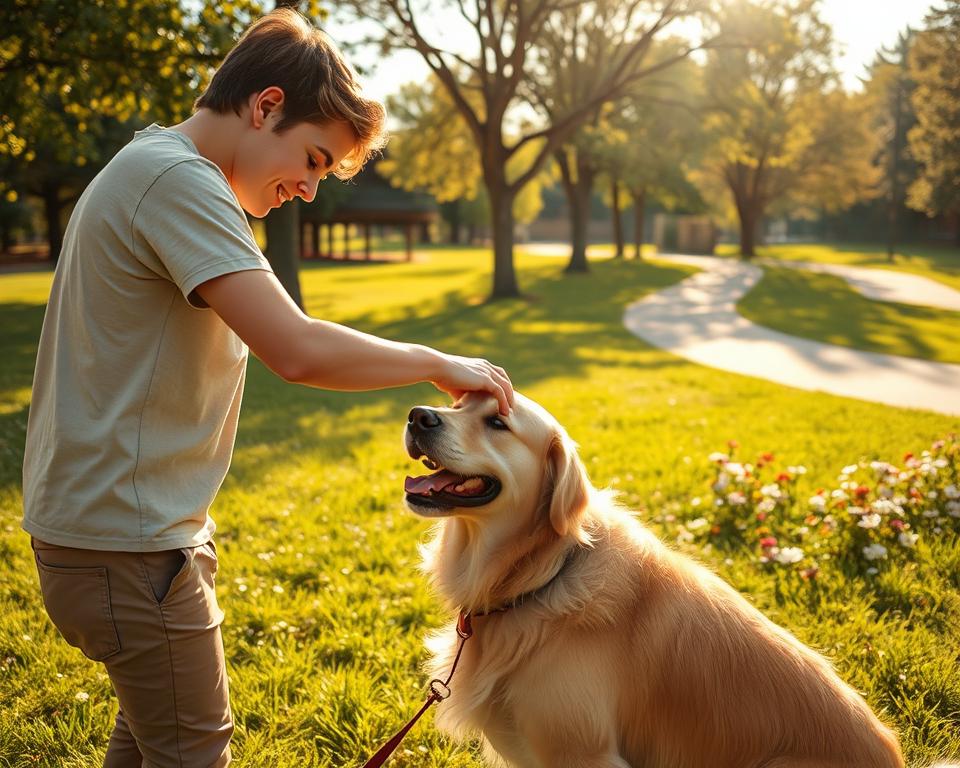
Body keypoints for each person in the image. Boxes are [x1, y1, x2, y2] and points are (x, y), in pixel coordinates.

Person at [21, 8, 513, 767]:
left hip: (114, 536)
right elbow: (296, 348)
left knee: (149, 740)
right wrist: (436, 362)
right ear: (266, 105)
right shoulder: (177, 180)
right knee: (193, 750)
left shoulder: (155, 166)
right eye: (314, 159)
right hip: (126, 543)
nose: (311, 189)